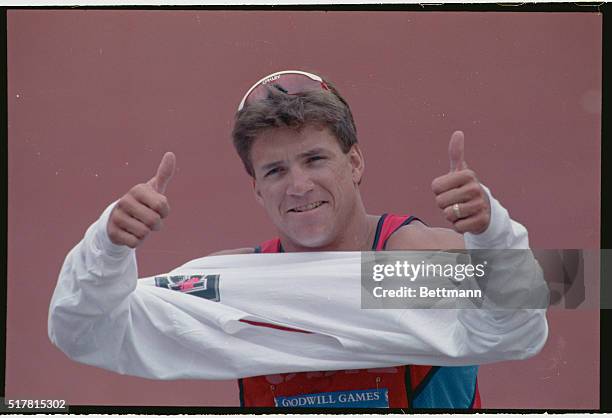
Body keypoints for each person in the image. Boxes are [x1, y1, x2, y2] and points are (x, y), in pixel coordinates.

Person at [48, 70, 548, 409]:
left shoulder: (409, 263)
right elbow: (86, 333)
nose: (299, 186)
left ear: (354, 163)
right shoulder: (232, 283)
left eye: (314, 160)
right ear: (257, 189)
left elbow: (524, 327)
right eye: (275, 170)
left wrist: (490, 233)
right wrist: (109, 246)